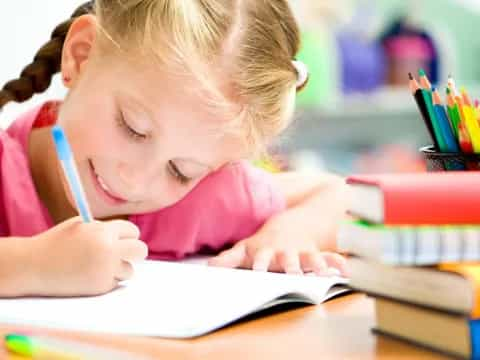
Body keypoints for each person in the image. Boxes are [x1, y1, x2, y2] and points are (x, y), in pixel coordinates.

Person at [0, 0, 349, 297]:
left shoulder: (203, 198)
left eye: (181, 171)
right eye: (133, 128)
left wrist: (286, 235)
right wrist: (35, 263)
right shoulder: (6, 167)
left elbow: (336, 194)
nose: (135, 181)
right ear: (82, 55)